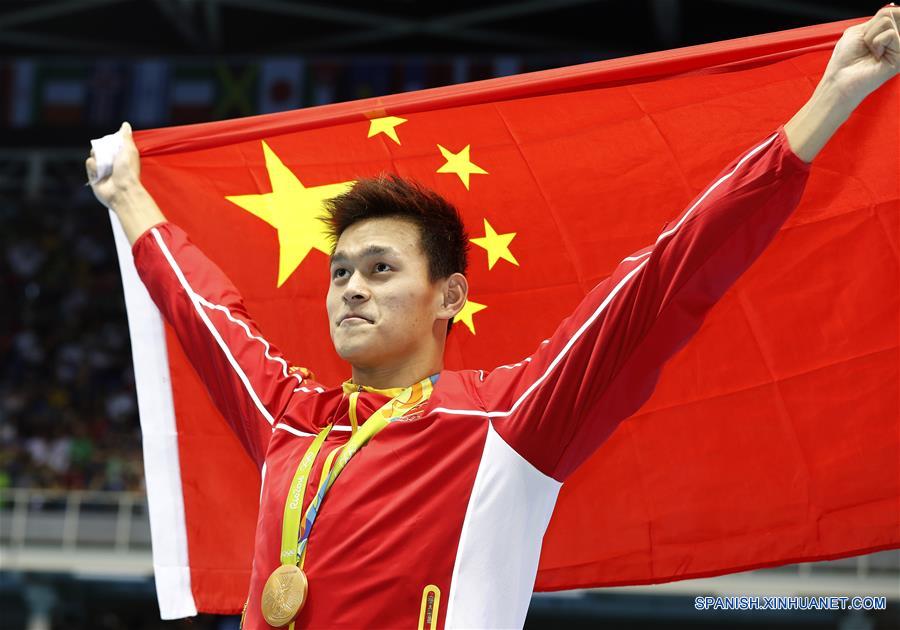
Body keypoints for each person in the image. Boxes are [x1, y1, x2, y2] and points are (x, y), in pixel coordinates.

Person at [86, 8, 899, 629]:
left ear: (450, 297)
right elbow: (204, 312)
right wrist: (126, 194)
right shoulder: (287, 423)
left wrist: (830, 98)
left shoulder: (506, 421)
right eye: (339, 274)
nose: (351, 290)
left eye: (380, 270)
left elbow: (665, 277)